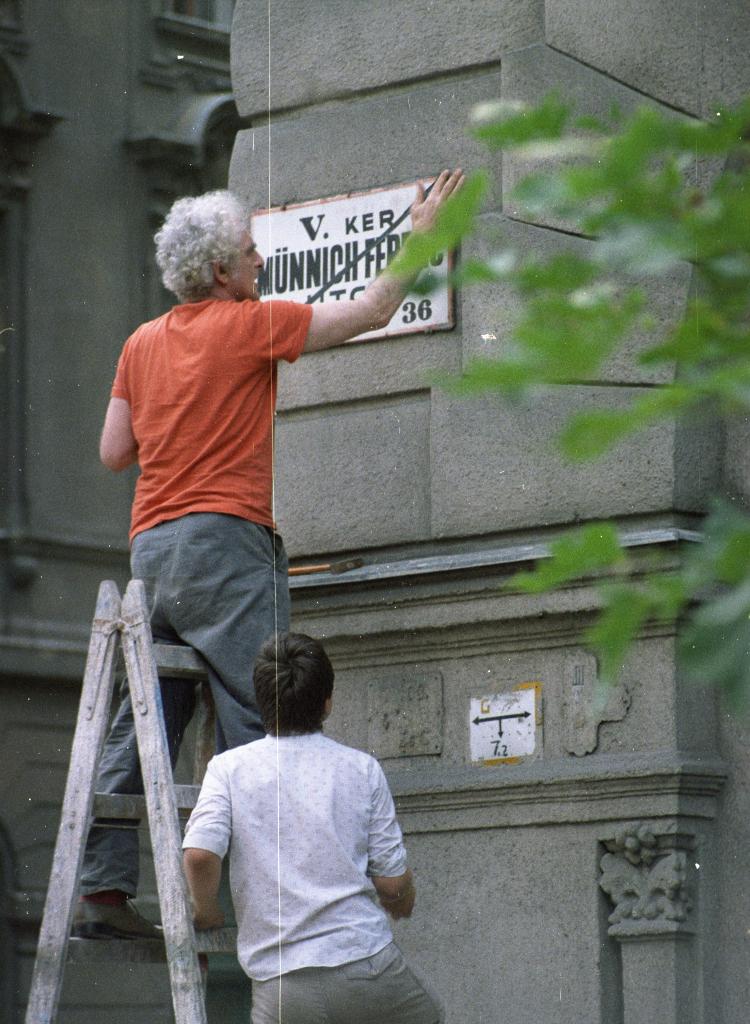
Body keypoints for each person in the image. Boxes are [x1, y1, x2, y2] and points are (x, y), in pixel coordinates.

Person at [73, 170, 464, 939]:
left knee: (148, 718)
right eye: (250, 254)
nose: (260, 264)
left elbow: (115, 452)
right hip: (227, 540)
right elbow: (375, 309)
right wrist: (424, 238)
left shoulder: (140, 342)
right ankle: (281, 893)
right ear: (220, 271)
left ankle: (102, 892)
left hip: (154, 549)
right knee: (268, 712)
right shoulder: (249, 325)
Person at [183, 632, 443, 1024]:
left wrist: (208, 913)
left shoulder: (229, 769)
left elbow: (200, 856)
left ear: (261, 702)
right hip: (366, 968)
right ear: (327, 703)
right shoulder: (361, 768)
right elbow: (392, 885)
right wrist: (404, 897)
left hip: (282, 986)